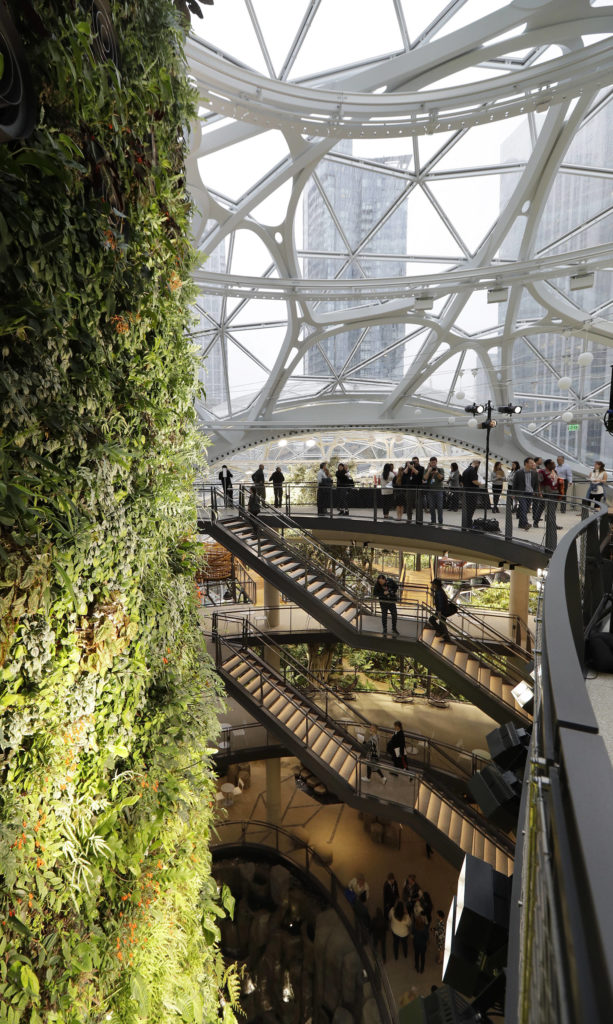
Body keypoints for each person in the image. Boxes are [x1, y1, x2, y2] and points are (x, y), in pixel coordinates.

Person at [511, 457, 540, 531]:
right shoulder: (519, 472)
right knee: (523, 508)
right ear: (526, 463)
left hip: (530, 493)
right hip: (521, 493)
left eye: (533, 463)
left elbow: (536, 484)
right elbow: (514, 483)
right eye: (531, 463)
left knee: (526, 509)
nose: (533, 464)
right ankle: (525, 523)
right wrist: (513, 493)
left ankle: (521, 524)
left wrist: (536, 492)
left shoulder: (535, 473)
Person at [535, 459, 561, 529]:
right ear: (547, 465)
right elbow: (539, 483)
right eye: (552, 464)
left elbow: (556, 481)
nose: (554, 465)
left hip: (555, 493)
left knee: (552, 510)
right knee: (541, 507)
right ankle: (536, 522)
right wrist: (540, 492)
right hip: (545, 493)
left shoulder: (554, 471)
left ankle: (552, 524)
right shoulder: (542, 472)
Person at [460, 459, 481, 528]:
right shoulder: (473, 470)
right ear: (476, 463)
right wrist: (480, 484)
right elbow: (474, 481)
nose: (478, 466)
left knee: (467, 509)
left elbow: (462, 482)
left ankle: (466, 524)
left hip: (466, 491)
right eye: (478, 464)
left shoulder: (465, 470)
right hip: (473, 492)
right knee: (471, 508)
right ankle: (469, 524)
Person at [424, 456, 445, 525]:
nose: (433, 464)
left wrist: (437, 473)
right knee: (431, 507)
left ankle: (440, 521)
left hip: (439, 490)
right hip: (430, 491)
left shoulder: (440, 469)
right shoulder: (427, 470)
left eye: (434, 462)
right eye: (432, 462)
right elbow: (425, 478)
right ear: (430, 463)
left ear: (436, 462)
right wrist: (429, 470)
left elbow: (441, 478)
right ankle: (433, 521)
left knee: (439, 507)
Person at [406, 457, 424, 523]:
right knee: (409, 505)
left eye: (415, 461)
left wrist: (412, 468)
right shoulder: (409, 468)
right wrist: (408, 466)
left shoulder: (421, 468)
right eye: (413, 461)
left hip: (417, 489)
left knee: (418, 505)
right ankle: (409, 518)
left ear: (418, 461)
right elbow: (404, 473)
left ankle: (419, 520)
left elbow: (419, 474)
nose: (414, 462)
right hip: (409, 489)